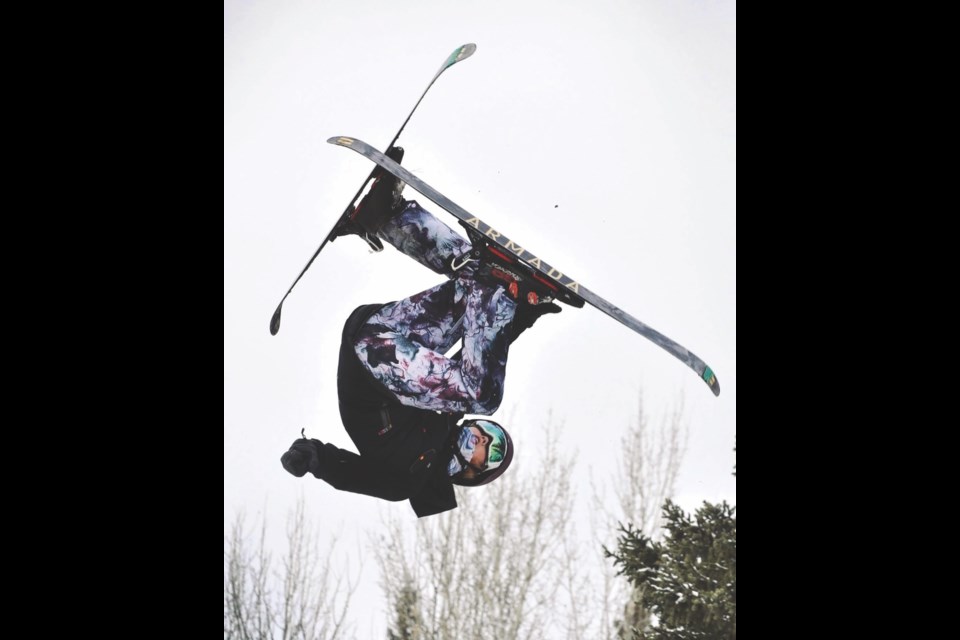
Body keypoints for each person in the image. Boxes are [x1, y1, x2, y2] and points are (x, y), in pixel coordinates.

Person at [280, 147, 561, 517]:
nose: (484, 439)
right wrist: (524, 313)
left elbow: (349, 474)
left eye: (490, 452)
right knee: (472, 280)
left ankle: (493, 282)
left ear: (471, 472)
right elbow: (481, 350)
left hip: (372, 361)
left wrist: (312, 459)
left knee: (482, 394)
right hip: (387, 331)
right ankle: (385, 218)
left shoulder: (405, 480)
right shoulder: (445, 410)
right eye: (491, 435)